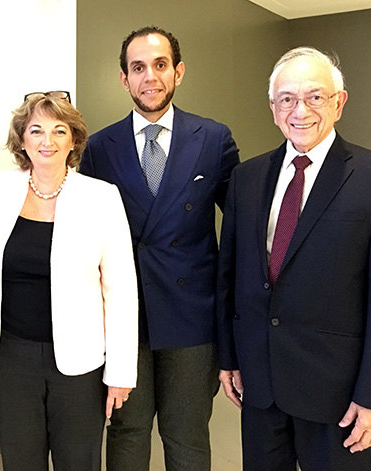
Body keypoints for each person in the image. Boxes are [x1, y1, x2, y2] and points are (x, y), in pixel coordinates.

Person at [217, 46, 371, 471]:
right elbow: (231, 276)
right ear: (273, 106)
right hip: (261, 387)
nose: (300, 110)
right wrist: (229, 357)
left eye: (315, 97)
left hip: (338, 394)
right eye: (287, 99)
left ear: (339, 102)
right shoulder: (247, 178)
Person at [79, 26, 240, 471]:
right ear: (123, 79)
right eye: (138, 67)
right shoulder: (98, 148)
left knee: (186, 433)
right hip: (125, 317)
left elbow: (241, 226)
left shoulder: (213, 139)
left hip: (192, 316)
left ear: (178, 71)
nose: (149, 76)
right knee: (127, 432)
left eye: (160, 64)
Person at [0, 91, 138, 471]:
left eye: (59, 131)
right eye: (36, 130)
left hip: (79, 364)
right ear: (22, 139)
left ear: (74, 140)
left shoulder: (101, 197)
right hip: (7, 356)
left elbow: (121, 289)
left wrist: (121, 372)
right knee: (20, 460)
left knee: (79, 461)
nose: (47, 141)